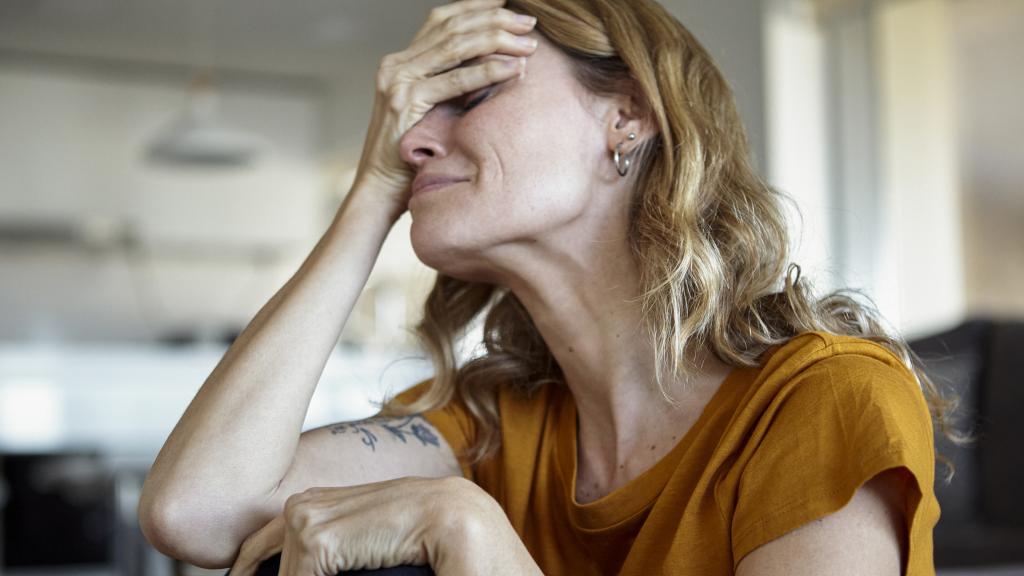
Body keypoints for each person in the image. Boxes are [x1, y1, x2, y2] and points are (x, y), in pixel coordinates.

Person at [138, 0, 964, 574]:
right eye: (415, 117)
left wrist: (470, 533)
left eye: (471, 94)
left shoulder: (823, 401)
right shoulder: (494, 429)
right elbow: (196, 512)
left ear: (627, 118)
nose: (413, 138)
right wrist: (369, 199)